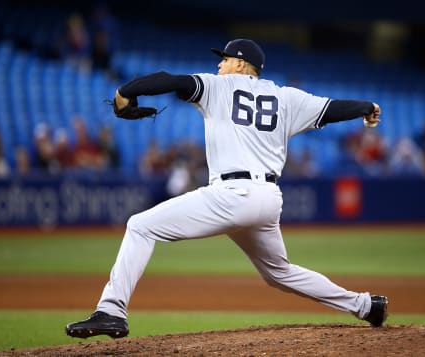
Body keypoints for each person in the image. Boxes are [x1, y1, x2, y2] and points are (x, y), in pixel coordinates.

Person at [65, 38, 388, 339]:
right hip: (268, 199)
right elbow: (332, 109)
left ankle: (111, 310)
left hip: (232, 195)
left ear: (241, 64)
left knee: (140, 226)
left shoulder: (217, 86)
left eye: (225, 59)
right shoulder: (287, 97)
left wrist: (126, 90)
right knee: (280, 273)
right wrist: (366, 107)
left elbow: (171, 80)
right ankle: (365, 305)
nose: (220, 65)